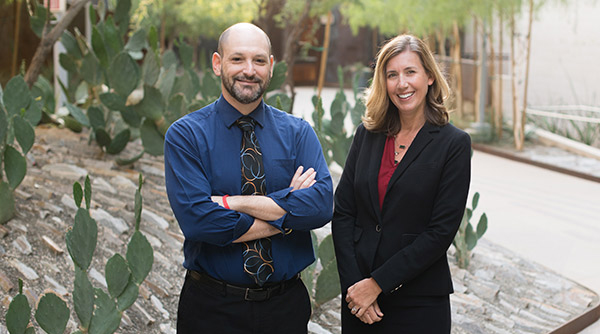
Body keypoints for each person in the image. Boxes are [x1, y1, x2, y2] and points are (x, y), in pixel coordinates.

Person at [164, 22, 333, 334]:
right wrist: (288, 215)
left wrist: (232, 202)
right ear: (218, 63)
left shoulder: (298, 133)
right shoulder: (186, 135)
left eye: (258, 60)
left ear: (270, 67)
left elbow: (320, 207)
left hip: (286, 309)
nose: (249, 70)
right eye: (237, 59)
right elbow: (199, 220)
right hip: (211, 308)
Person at [331, 34, 471, 333]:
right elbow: (343, 213)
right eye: (392, 75)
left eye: (410, 72)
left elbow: (440, 232)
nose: (401, 84)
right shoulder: (366, 135)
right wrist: (356, 287)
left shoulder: (454, 144)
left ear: (430, 76)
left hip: (419, 304)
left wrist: (377, 284)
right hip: (360, 304)